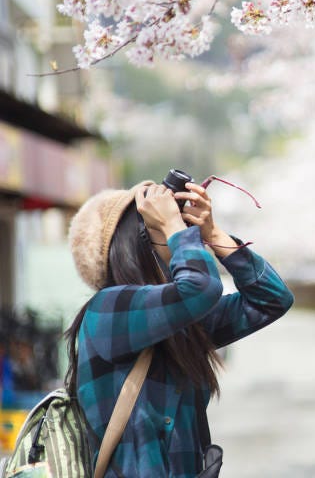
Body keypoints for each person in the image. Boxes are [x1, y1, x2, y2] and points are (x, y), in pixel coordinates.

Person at [65, 179, 294, 477]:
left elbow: (272, 299)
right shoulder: (108, 310)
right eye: (157, 224)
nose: (179, 236)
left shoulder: (179, 324)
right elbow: (201, 288)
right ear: (133, 244)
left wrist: (212, 233)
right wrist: (177, 227)